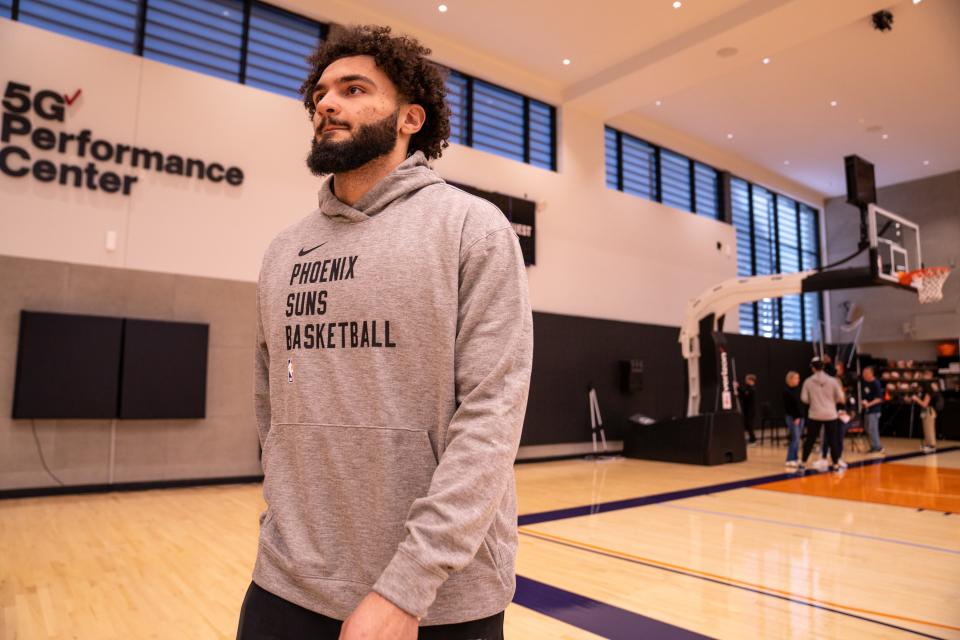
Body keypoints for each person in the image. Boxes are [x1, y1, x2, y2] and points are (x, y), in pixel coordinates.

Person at [238, 25, 533, 640]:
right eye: (320, 93)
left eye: (353, 89)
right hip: (287, 581)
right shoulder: (283, 250)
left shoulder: (472, 230)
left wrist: (406, 589)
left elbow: (491, 420)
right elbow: (272, 407)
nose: (326, 104)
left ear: (409, 118)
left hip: (437, 601)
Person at [798, 357, 846, 473]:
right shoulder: (832, 381)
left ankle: (803, 463)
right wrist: (831, 401)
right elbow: (841, 397)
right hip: (831, 414)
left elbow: (804, 399)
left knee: (810, 440)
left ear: (813, 368)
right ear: (823, 367)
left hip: (815, 414)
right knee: (833, 440)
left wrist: (814, 401)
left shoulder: (808, 381)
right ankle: (835, 465)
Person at [911, 382, 942, 454]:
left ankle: (932, 446)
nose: (920, 389)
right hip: (925, 412)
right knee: (926, 429)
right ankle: (928, 445)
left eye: (921, 387)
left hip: (929, 411)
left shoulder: (928, 394)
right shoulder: (924, 393)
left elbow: (924, 404)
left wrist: (916, 399)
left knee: (930, 429)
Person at [782, 371, 804, 470]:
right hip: (793, 418)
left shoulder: (797, 390)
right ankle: (789, 459)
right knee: (794, 438)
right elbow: (789, 407)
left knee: (798, 438)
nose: (798, 380)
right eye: (796, 378)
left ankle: (795, 457)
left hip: (800, 417)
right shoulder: (786, 391)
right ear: (790, 379)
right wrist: (795, 417)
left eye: (798, 378)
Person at [860, 367, 885, 454]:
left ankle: (877, 447)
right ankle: (873, 446)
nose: (864, 375)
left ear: (871, 374)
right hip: (867, 409)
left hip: (874, 410)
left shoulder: (876, 383)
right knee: (867, 428)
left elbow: (879, 399)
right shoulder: (864, 383)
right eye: (863, 373)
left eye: (866, 373)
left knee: (872, 428)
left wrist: (869, 404)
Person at [738, 373, 758, 446]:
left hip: (750, 411)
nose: (745, 381)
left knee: (750, 425)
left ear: (751, 380)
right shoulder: (748, 388)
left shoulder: (752, 389)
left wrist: (738, 388)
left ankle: (753, 440)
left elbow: (746, 394)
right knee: (747, 425)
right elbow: (743, 395)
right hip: (747, 410)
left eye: (747, 379)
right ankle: (750, 439)